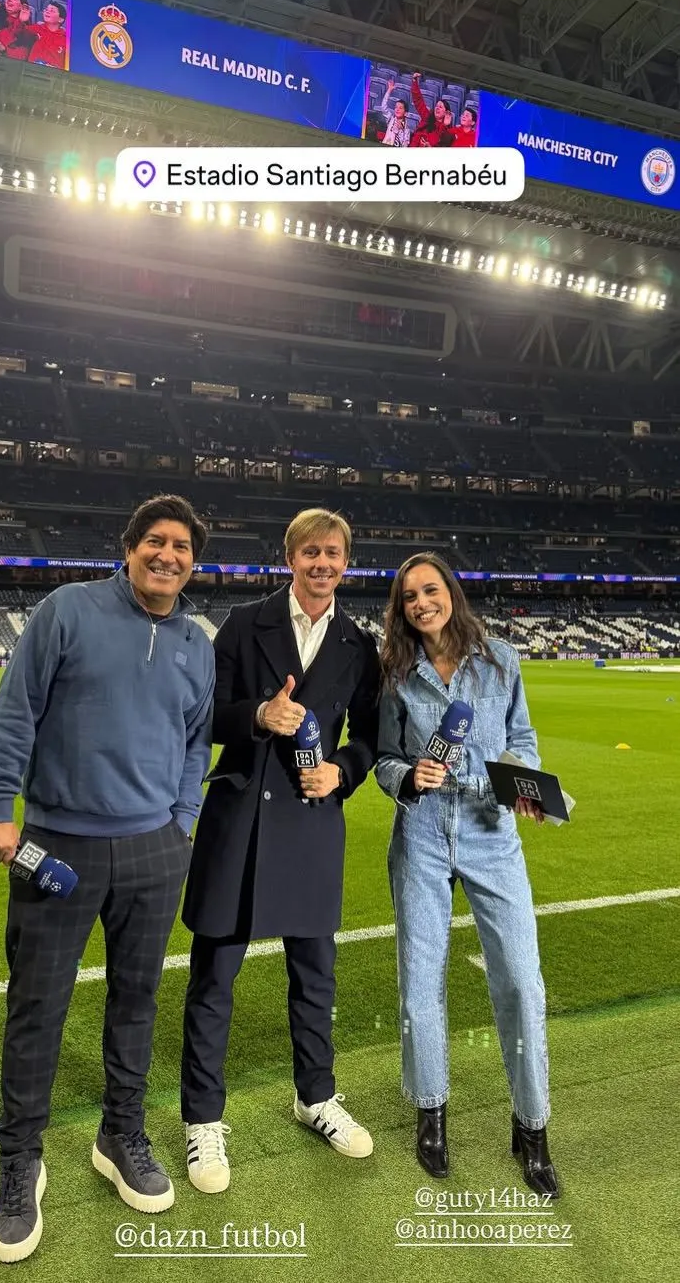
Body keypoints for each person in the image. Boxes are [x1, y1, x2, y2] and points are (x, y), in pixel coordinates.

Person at [0, 495, 215, 1263]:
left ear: (192, 563)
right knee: (37, 1007)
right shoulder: (66, 611)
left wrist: (181, 817)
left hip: (153, 851)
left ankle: (121, 1134)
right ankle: (20, 1164)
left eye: (180, 547)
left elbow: (195, 740)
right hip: (58, 845)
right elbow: (15, 711)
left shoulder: (196, 643)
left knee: (136, 1002)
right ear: (131, 545)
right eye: (155, 542)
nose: (166, 555)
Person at [181, 508, 381, 1193]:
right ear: (288, 556)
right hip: (241, 817)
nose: (322, 563)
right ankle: (202, 1121)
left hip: (313, 821)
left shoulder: (358, 641)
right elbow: (203, 715)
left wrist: (342, 772)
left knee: (316, 980)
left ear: (344, 563)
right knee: (214, 981)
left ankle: (315, 1096)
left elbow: (371, 738)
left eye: (333, 553)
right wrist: (259, 716)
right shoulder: (243, 624)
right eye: (310, 553)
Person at [375, 553, 559, 1198]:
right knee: (420, 984)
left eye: (430, 590)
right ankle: (431, 1114)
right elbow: (383, 759)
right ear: (399, 609)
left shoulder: (502, 660)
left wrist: (522, 784)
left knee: (521, 981)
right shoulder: (396, 672)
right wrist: (407, 777)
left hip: (491, 832)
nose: (421, 603)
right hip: (422, 834)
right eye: (408, 597)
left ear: (450, 591)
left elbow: (524, 741)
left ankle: (531, 1126)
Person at [410, 75, 454, 147]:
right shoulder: (427, 117)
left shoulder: (448, 130)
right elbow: (418, 100)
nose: (437, 108)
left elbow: (442, 144)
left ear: (446, 112)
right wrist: (414, 82)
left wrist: (445, 125)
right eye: (436, 106)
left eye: (440, 107)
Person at [26, 0, 67, 68]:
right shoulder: (36, 29)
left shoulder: (66, 39)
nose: (47, 12)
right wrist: (22, 21)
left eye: (52, 11)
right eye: (46, 10)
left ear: (61, 19)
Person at [380, 78, 411, 147]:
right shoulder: (390, 119)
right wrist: (389, 90)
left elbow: (404, 146)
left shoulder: (406, 129)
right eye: (396, 107)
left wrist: (400, 131)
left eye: (400, 108)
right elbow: (383, 106)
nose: (397, 109)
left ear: (405, 113)